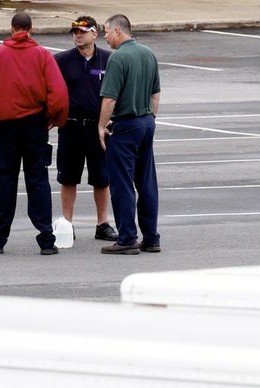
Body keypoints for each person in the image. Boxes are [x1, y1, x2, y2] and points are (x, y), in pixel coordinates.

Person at [0, 12, 69, 255]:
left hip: (6, 127)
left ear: (12, 29)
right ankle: (46, 238)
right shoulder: (42, 55)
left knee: (5, 179)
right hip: (34, 126)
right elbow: (58, 93)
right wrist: (53, 119)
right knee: (37, 179)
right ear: (31, 29)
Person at [98, 14, 161, 255]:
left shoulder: (118, 58)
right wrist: (150, 118)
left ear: (117, 31)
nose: (105, 36)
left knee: (122, 183)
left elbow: (110, 98)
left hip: (126, 125)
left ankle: (127, 238)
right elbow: (155, 94)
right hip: (146, 122)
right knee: (146, 183)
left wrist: (101, 126)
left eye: (106, 31)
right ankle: (151, 237)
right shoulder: (148, 54)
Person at [54, 16, 118, 242]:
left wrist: (111, 120)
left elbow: (118, 93)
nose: (78, 36)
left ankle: (102, 223)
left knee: (101, 178)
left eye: (82, 31)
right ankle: (67, 223)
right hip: (70, 127)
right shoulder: (61, 60)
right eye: (75, 32)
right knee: (68, 178)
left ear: (94, 34)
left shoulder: (109, 59)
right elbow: (50, 91)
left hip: (98, 129)